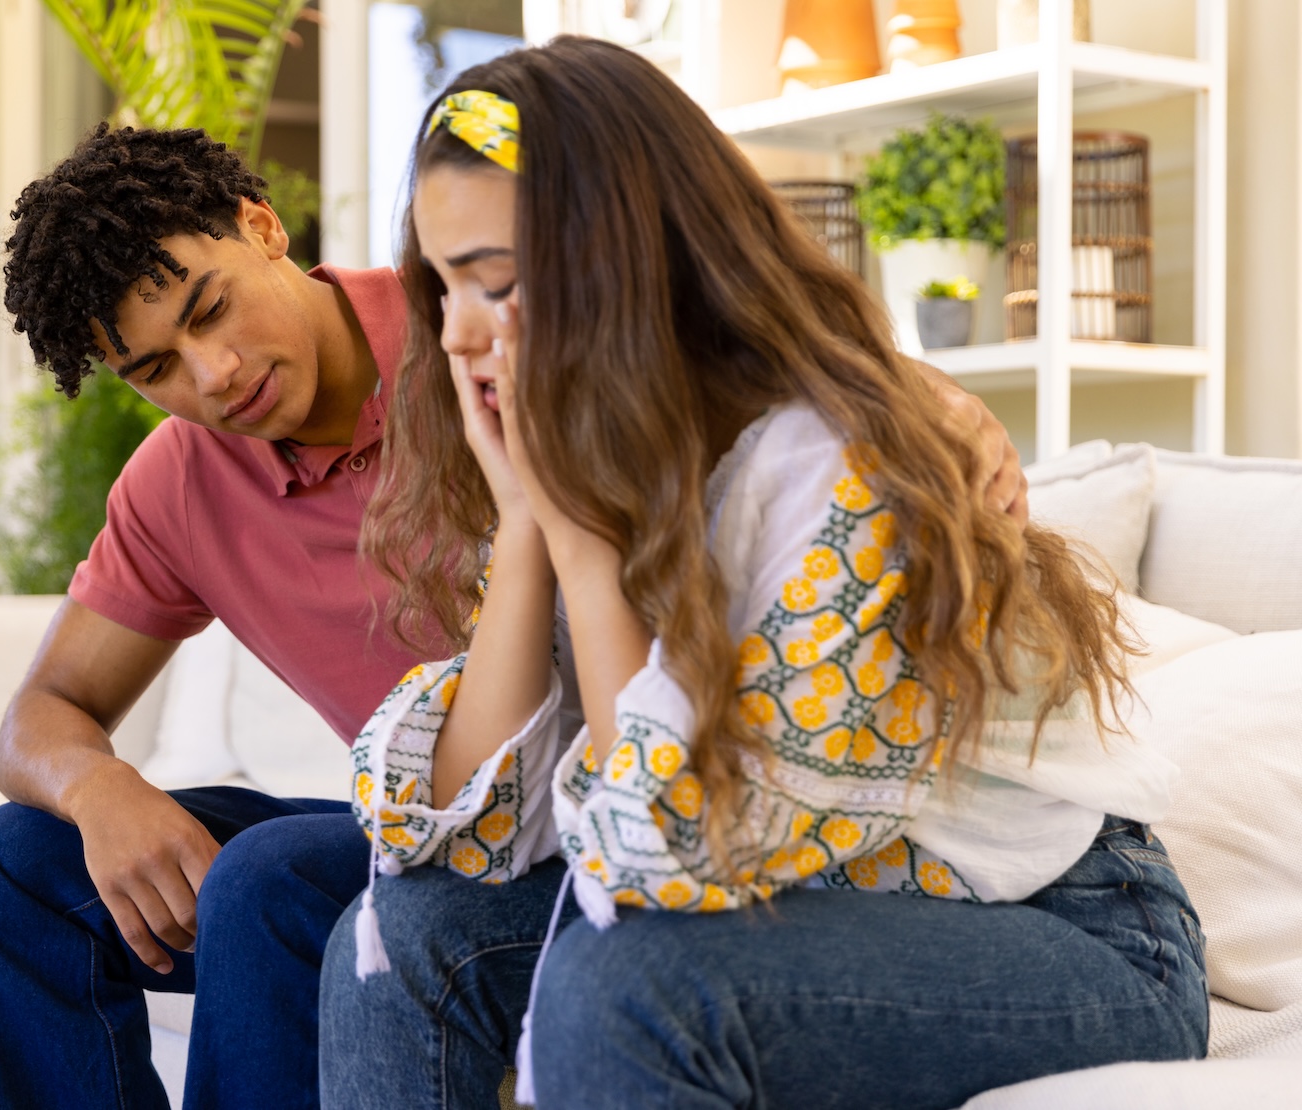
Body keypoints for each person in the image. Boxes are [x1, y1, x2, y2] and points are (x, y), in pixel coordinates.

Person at [0, 123, 1030, 1109]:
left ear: (261, 225)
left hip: (587, 821)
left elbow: (727, 346)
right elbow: (39, 715)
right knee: (5, 867)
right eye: (155, 370)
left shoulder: (473, 330)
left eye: (210, 310)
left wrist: (924, 400)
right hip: (422, 821)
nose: (213, 376)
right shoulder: (176, 486)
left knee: (266, 878)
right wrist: (97, 789)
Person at [320, 37, 1207, 1110]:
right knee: (403, 935)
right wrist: (525, 522)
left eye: (494, 282)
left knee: (630, 981)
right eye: (440, 285)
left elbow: (670, 851)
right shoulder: (600, 453)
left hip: (1067, 931)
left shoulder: (835, 461)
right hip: (809, 904)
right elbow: (470, 832)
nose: (457, 332)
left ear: (625, 263)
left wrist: (582, 545)